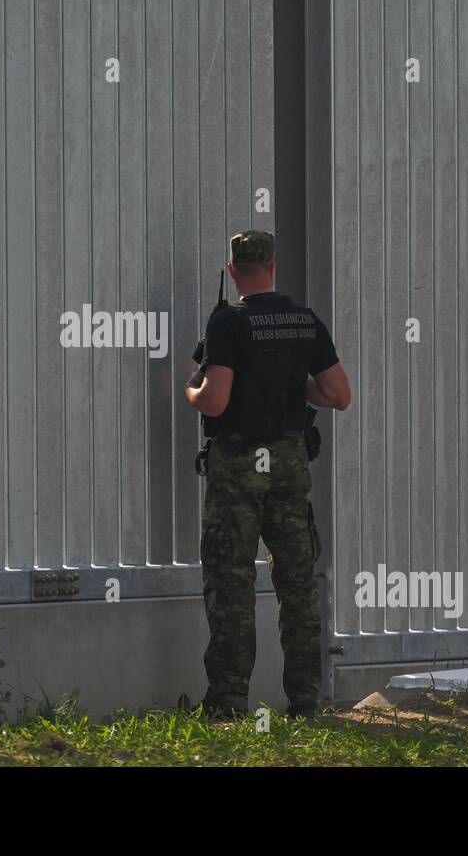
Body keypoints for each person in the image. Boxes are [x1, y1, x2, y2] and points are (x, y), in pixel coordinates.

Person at [184, 230, 352, 719]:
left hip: (238, 466)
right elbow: (339, 395)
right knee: (298, 582)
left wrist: (191, 389)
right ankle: (306, 702)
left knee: (232, 580)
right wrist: (292, 386)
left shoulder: (228, 323)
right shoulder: (304, 322)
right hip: (290, 463)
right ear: (273, 266)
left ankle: (229, 704)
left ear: (233, 270)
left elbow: (215, 398)